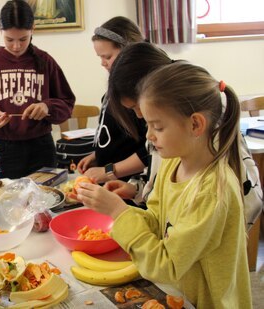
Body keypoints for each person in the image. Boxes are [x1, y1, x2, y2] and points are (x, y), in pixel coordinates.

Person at [77, 62, 252, 308]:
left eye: (158, 126)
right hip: (180, 292)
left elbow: (165, 266)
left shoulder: (211, 191)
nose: (149, 135)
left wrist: (119, 211)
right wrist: (119, 208)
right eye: (148, 124)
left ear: (195, 125)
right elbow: (158, 223)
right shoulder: (173, 164)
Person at [105, 42, 263, 224]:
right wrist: (135, 190)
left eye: (135, 106)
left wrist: (121, 212)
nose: (139, 115)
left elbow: (178, 242)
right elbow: (163, 192)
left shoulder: (209, 182)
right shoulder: (171, 134)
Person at [0, 0, 75, 179]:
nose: (16, 46)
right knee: (10, 200)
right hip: (7, 148)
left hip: (42, 146)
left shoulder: (45, 61)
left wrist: (47, 107)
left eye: (23, 39)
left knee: (47, 197)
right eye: (9, 39)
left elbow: (67, 103)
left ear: (32, 28)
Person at [76, 16, 149, 184]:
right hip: (110, 179)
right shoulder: (115, 90)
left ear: (128, 51)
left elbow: (149, 150)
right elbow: (120, 138)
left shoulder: (138, 97)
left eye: (107, 57)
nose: (103, 63)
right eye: (100, 58)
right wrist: (98, 155)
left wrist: (109, 171)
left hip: (128, 185)